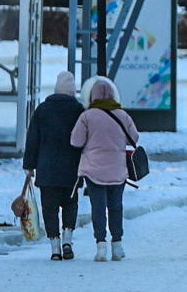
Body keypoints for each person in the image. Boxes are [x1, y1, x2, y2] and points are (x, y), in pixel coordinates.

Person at [68, 74, 142, 263]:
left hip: (93, 170)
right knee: (116, 207)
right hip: (117, 170)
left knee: (98, 209)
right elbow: (133, 138)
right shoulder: (123, 115)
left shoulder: (86, 116)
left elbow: (76, 141)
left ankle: (101, 246)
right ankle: (117, 245)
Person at [21, 70, 85, 261]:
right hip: (72, 170)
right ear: (72, 91)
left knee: (50, 208)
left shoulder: (42, 110)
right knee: (70, 204)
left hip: (47, 169)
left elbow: (33, 139)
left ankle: (55, 248)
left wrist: (29, 165)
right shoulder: (79, 111)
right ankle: (67, 240)